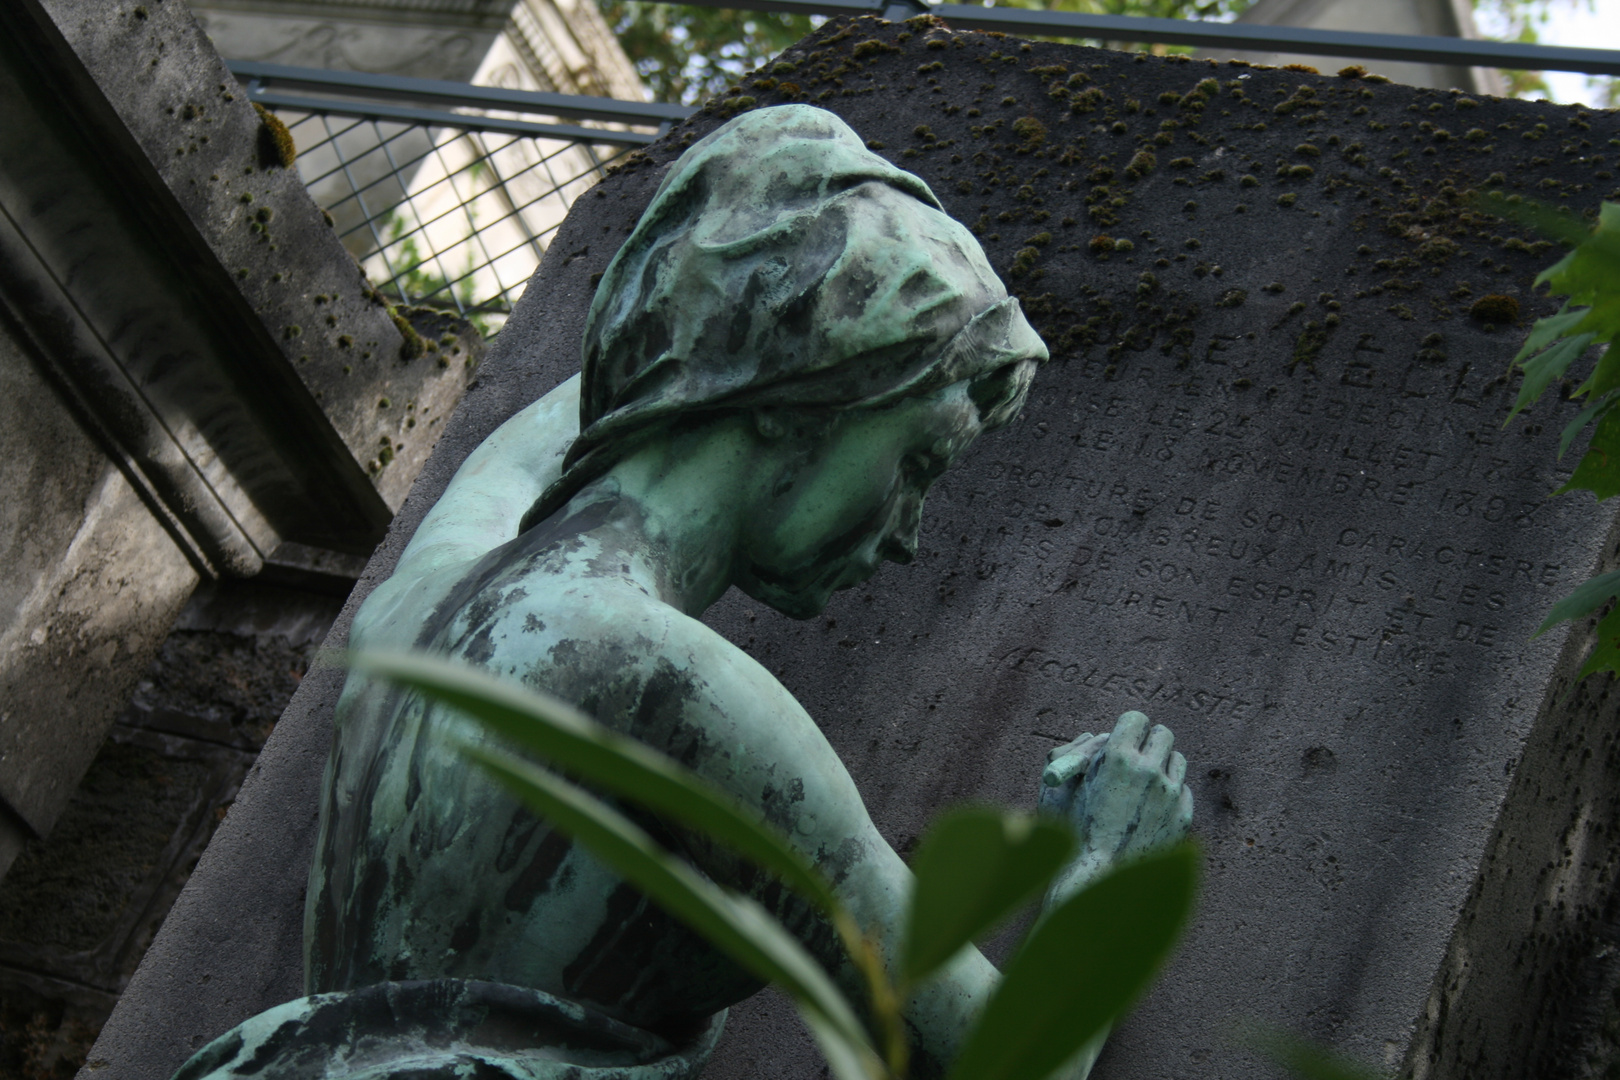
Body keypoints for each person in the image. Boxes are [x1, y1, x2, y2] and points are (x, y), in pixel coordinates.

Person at [174, 104, 1192, 1080]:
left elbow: (526, 448)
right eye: (919, 461)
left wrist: (716, 311)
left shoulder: (430, 599)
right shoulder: (673, 693)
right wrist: (1107, 859)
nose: (910, 534)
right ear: (812, 389)